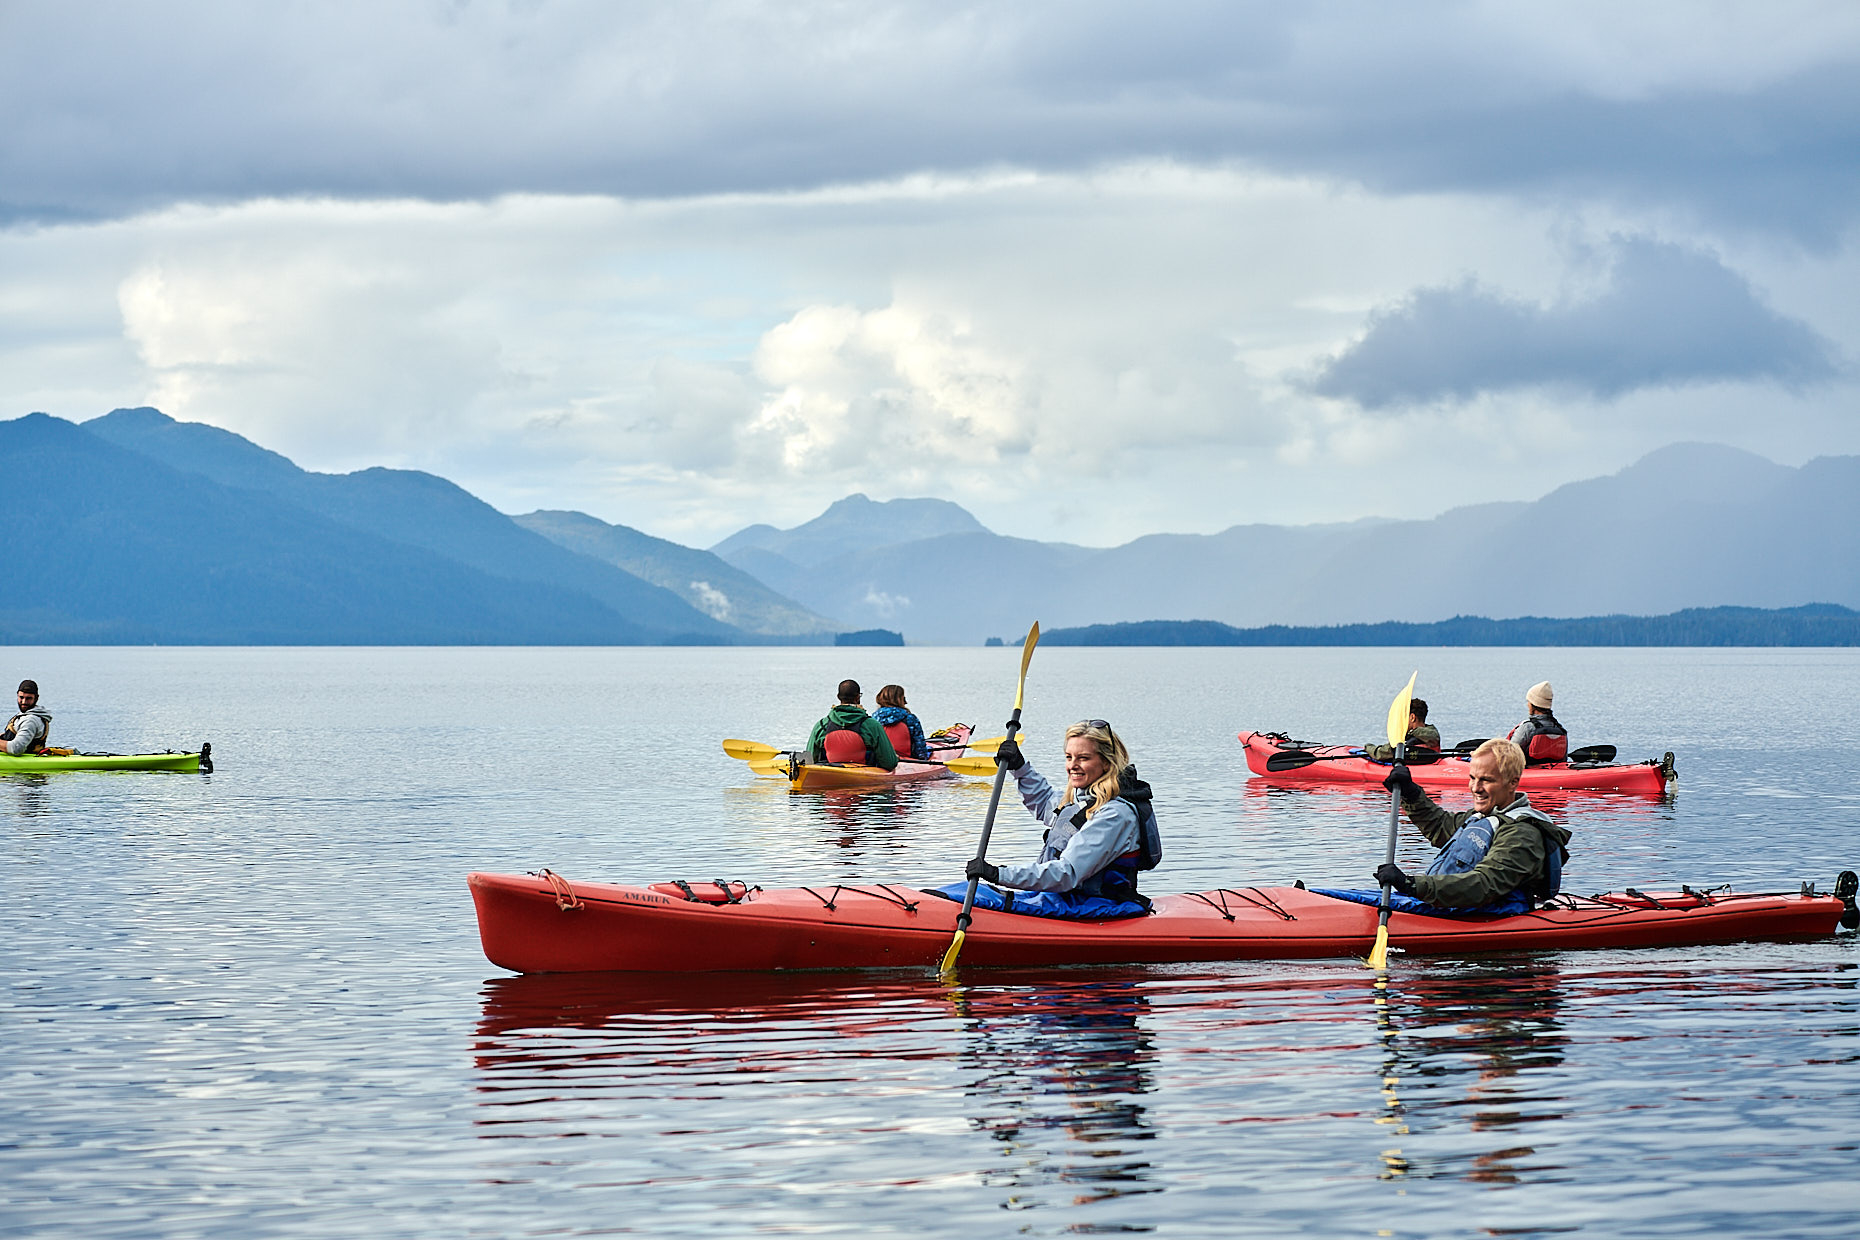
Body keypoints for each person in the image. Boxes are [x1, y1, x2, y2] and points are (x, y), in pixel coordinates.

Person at [960, 719, 1161, 917]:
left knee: (975, 896)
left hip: (1095, 906)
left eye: (1083, 758)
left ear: (1107, 763)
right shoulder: (1083, 800)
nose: (1072, 765)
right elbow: (1045, 801)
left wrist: (998, 874)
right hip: (1065, 898)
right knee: (959, 891)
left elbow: (1067, 872)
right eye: (1068, 757)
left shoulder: (1115, 815)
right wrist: (1019, 767)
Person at [1375, 738, 1571, 915]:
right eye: (1472, 778)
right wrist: (1410, 793)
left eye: (1486, 780)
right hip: (1458, 907)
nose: (1475, 788)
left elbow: (1485, 884)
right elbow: (1440, 827)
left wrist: (1411, 885)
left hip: (1493, 913)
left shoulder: (1522, 833)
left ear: (1512, 783)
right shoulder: (1483, 817)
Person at [806, 679, 899, 770]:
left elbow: (809, 760)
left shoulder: (821, 725)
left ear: (838, 697)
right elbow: (889, 763)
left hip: (829, 774)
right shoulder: (872, 725)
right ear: (858, 697)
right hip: (865, 775)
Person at [1507, 681, 1568, 765]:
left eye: (1528, 702)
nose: (1527, 705)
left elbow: (1509, 754)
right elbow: (1564, 759)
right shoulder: (1560, 729)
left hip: (1529, 773)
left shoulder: (1528, 727)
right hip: (1553, 773)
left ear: (1533, 705)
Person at [1365, 697, 1442, 760]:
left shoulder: (1405, 740)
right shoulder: (1432, 732)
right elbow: (1433, 737)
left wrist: (1367, 747)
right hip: (1432, 763)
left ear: (1412, 717)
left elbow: (1379, 754)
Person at [872, 684, 930, 761]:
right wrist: (924, 758)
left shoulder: (874, 718)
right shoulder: (910, 718)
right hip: (906, 759)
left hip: (879, 760)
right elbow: (919, 746)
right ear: (900, 700)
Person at [3, 679, 52, 755]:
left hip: (23, 760)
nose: (24, 702)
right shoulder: (24, 715)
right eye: (21, 697)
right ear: (17, 695)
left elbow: (16, 748)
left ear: (36, 698)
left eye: (28, 698)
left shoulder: (30, 720)